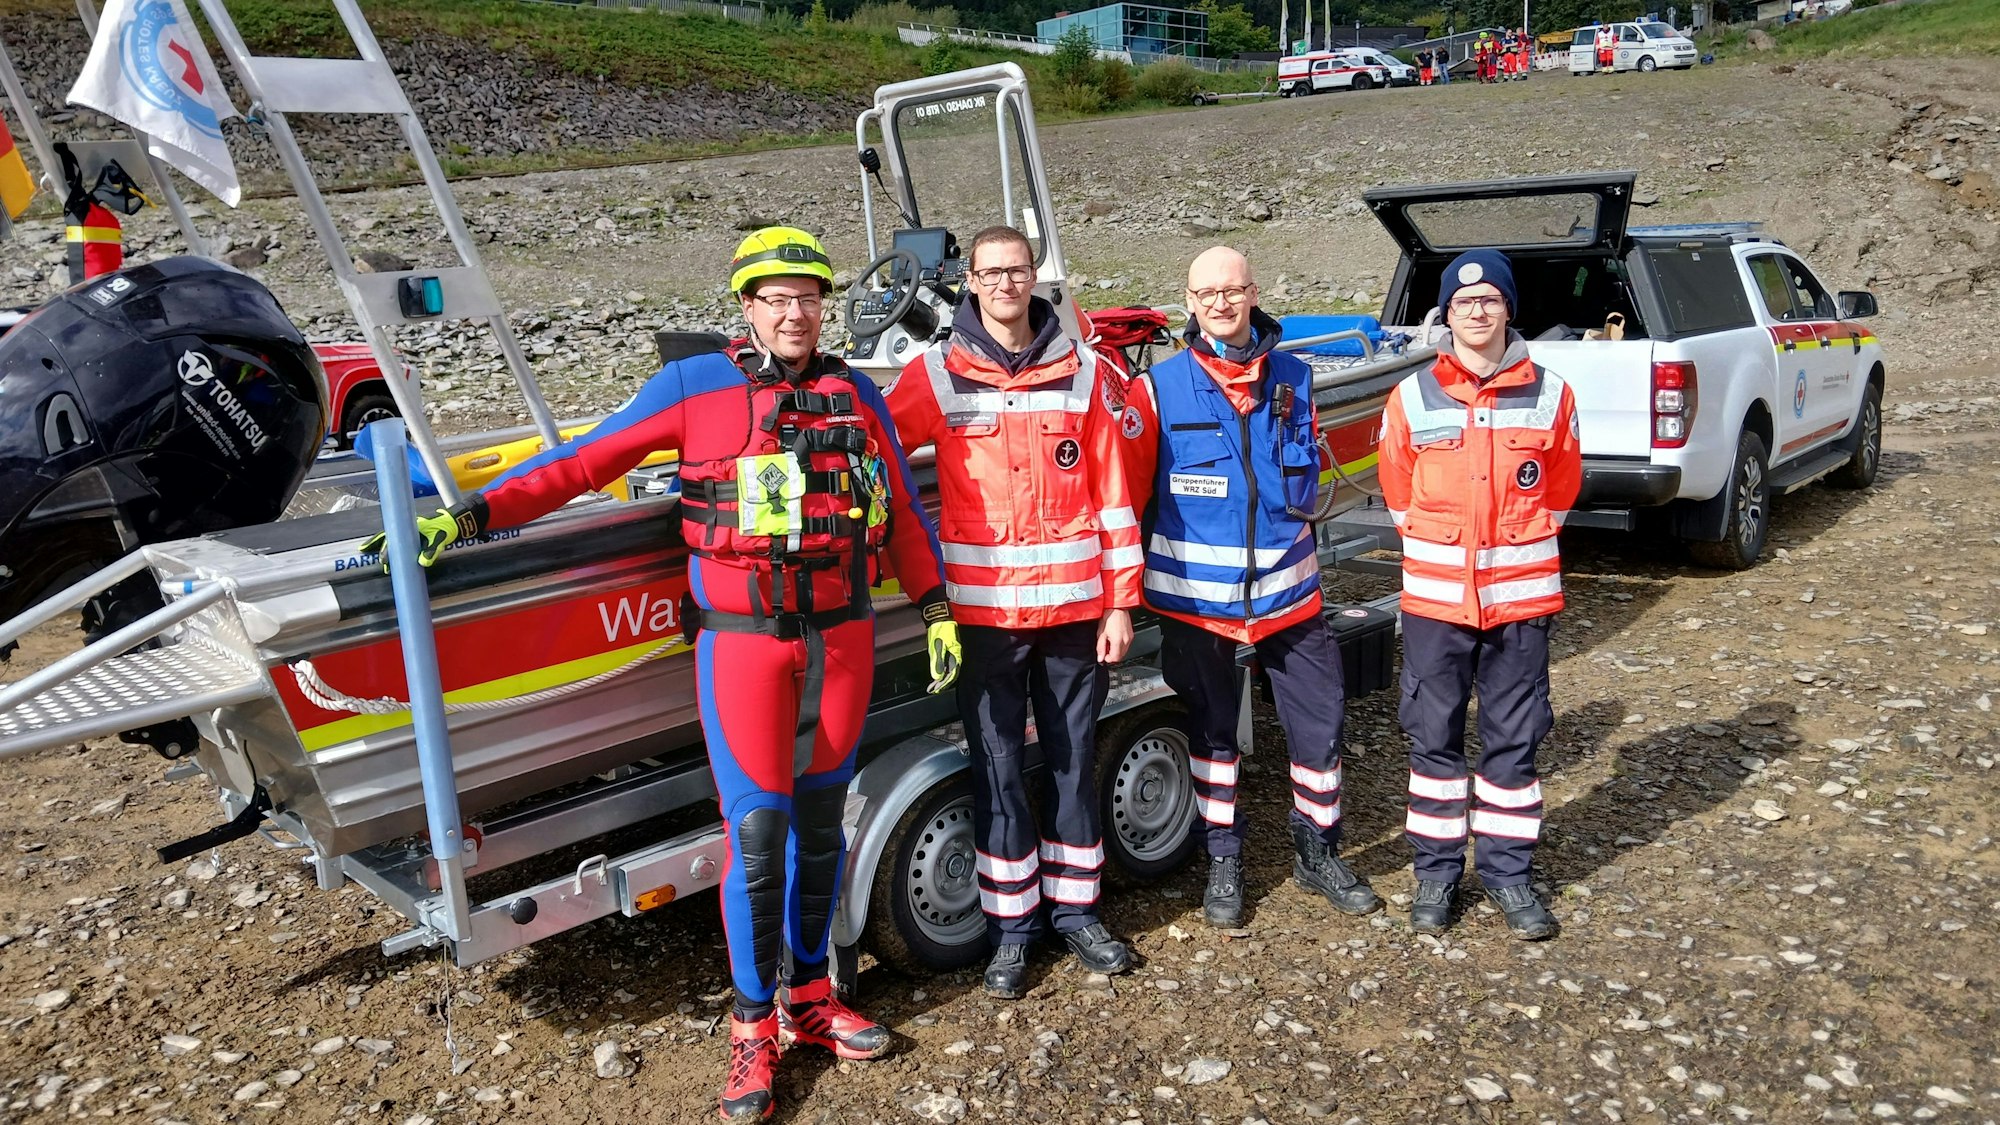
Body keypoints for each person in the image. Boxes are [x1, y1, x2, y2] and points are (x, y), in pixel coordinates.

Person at [367, 227, 961, 1121]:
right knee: (757, 841)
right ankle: (752, 1027)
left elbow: (905, 513)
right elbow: (581, 463)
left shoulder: (855, 392)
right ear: (747, 307)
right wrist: (470, 514)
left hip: (839, 643)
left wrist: (935, 604)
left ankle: (811, 997)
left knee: (823, 829)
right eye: (777, 298)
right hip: (745, 646)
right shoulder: (695, 386)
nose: (795, 312)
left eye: (809, 297)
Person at [885, 225, 1141, 999]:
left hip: (1072, 612)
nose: (1005, 283)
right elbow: (877, 456)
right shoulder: (935, 374)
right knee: (996, 773)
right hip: (984, 621)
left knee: (1070, 764)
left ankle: (1079, 913)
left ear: (1035, 276)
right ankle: (1012, 929)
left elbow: (1114, 497)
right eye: (991, 272)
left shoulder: (1084, 372)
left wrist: (1122, 602)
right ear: (969, 280)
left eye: (1017, 270)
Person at [1121, 247, 1380, 929]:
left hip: (1291, 602)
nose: (1221, 303)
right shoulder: (1158, 390)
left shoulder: (1295, 378)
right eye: (1207, 293)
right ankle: (1224, 858)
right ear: (1190, 301)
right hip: (1197, 607)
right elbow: (1123, 497)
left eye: (1232, 290)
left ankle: (1318, 850)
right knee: (1213, 737)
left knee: (1319, 729)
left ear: (1254, 293)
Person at [1376, 249, 1581, 942]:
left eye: (1490, 299)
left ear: (1508, 309)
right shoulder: (1410, 397)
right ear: (1446, 313)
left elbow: (1559, 493)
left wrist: (1505, 561)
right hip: (1436, 607)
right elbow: (1399, 495)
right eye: (1464, 303)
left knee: (1513, 742)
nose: (1477, 311)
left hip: (1519, 605)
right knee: (1432, 740)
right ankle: (1436, 872)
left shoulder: (1552, 395)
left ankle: (1507, 874)